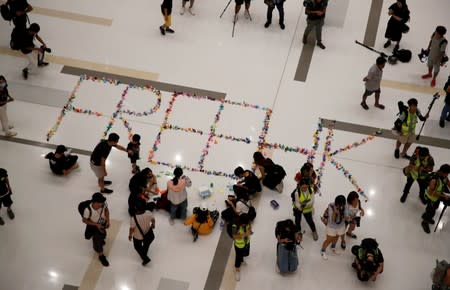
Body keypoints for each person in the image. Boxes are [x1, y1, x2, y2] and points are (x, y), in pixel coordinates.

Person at [82, 192, 110, 267]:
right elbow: (84, 220)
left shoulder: (104, 204)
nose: (102, 204)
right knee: (92, 239)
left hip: (102, 223)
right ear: (95, 202)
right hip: (93, 225)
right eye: (100, 202)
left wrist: (108, 220)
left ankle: (100, 251)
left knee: (101, 236)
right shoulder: (87, 210)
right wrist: (96, 225)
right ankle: (100, 252)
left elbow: (107, 211)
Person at [421, 164, 450, 234]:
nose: (447, 175)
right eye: (447, 173)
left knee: (434, 208)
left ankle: (426, 216)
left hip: (437, 196)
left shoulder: (444, 176)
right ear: (443, 172)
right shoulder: (434, 179)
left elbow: (447, 182)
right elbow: (431, 192)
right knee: (431, 210)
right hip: (431, 197)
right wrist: (443, 196)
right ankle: (425, 222)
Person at [320, 195, 349, 260]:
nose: (340, 206)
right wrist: (335, 213)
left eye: (342, 205)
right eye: (339, 205)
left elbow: (346, 217)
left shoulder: (345, 205)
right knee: (329, 239)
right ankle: (322, 251)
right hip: (331, 227)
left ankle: (333, 247)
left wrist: (344, 216)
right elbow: (332, 220)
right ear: (336, 203)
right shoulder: (331, 206)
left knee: (337, 237)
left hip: (341, 226)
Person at [128, 200, 155, 266]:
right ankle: (144, 252)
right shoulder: (148, 212)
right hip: (148, 233)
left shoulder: (134, 218)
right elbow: (153, 219)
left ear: (136, 208)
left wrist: (130, 235)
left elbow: (132, 228)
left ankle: (145, 258)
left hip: (138, 236)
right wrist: (153, 224)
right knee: (146, 244)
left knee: (137, 246)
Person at [232, 213, 251, 281]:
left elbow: (249, 226)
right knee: (238, 258)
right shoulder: (235, 226)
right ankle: (237, 270)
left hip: (246, 242)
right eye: (244, 224)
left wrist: (250, 231)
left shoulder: (247, 221)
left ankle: (242, 260)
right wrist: (244, 234)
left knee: (244, 254)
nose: (245, 225)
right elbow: (234, 237)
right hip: (239, 245)